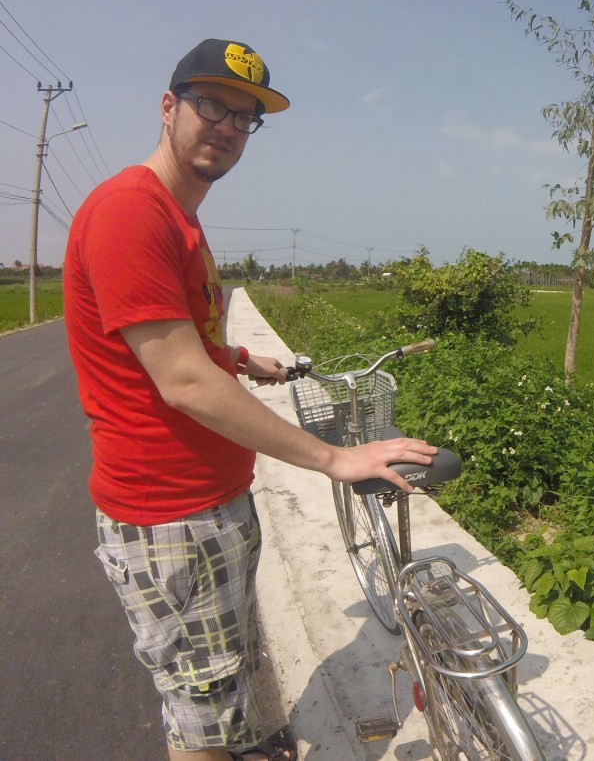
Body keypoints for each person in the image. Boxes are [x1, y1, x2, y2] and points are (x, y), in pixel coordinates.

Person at [63, 39, 438, 761]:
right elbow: (182, 379)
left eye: (245, 117)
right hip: (174, 516)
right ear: (168, 107)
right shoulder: (130, 211)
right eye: (212, 106)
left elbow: (180, 342)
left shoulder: (177, 216)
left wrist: (238, 359)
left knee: (224, 685)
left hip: (206, 506)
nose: (229, 127)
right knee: (201, 721)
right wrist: (334, 457)